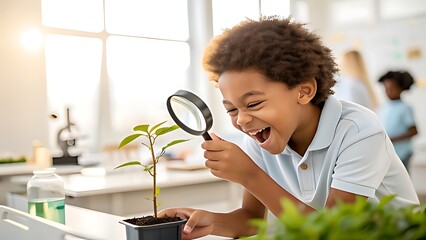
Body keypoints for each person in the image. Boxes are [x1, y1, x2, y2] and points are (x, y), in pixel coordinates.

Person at [159, 16, 420, 239]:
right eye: (231, 109)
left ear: (304, 91)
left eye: (253, 103)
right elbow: (251, 218)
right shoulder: (258, 142)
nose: (241, 120)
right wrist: (209, 221)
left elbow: (333, 230)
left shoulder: (359, 131)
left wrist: (250, 175)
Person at [378, 70, 418, 173]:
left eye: (392, 89)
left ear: (401, 88)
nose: (389, 92)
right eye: (386, 89)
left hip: (403, 152)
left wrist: (393, 139)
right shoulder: (384, 107)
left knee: (403, 178)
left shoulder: (405, 108)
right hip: (389, 151)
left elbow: (414, 131)